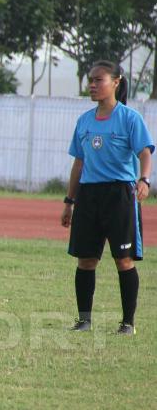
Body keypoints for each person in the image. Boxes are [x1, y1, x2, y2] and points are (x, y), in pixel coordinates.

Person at [61, 60, 153, 335]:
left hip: (119, 194)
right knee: (86, 259)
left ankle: (127, 323)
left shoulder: (129, 118)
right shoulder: (84, 120)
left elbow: (145, 152)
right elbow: (79, 162)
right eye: (90, 80)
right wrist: (69, 201)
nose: (92, 84)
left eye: (98, 80)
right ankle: (84, 320)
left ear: (116, 82)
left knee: (123, 260)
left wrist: (144, 179)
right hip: (89, 195)